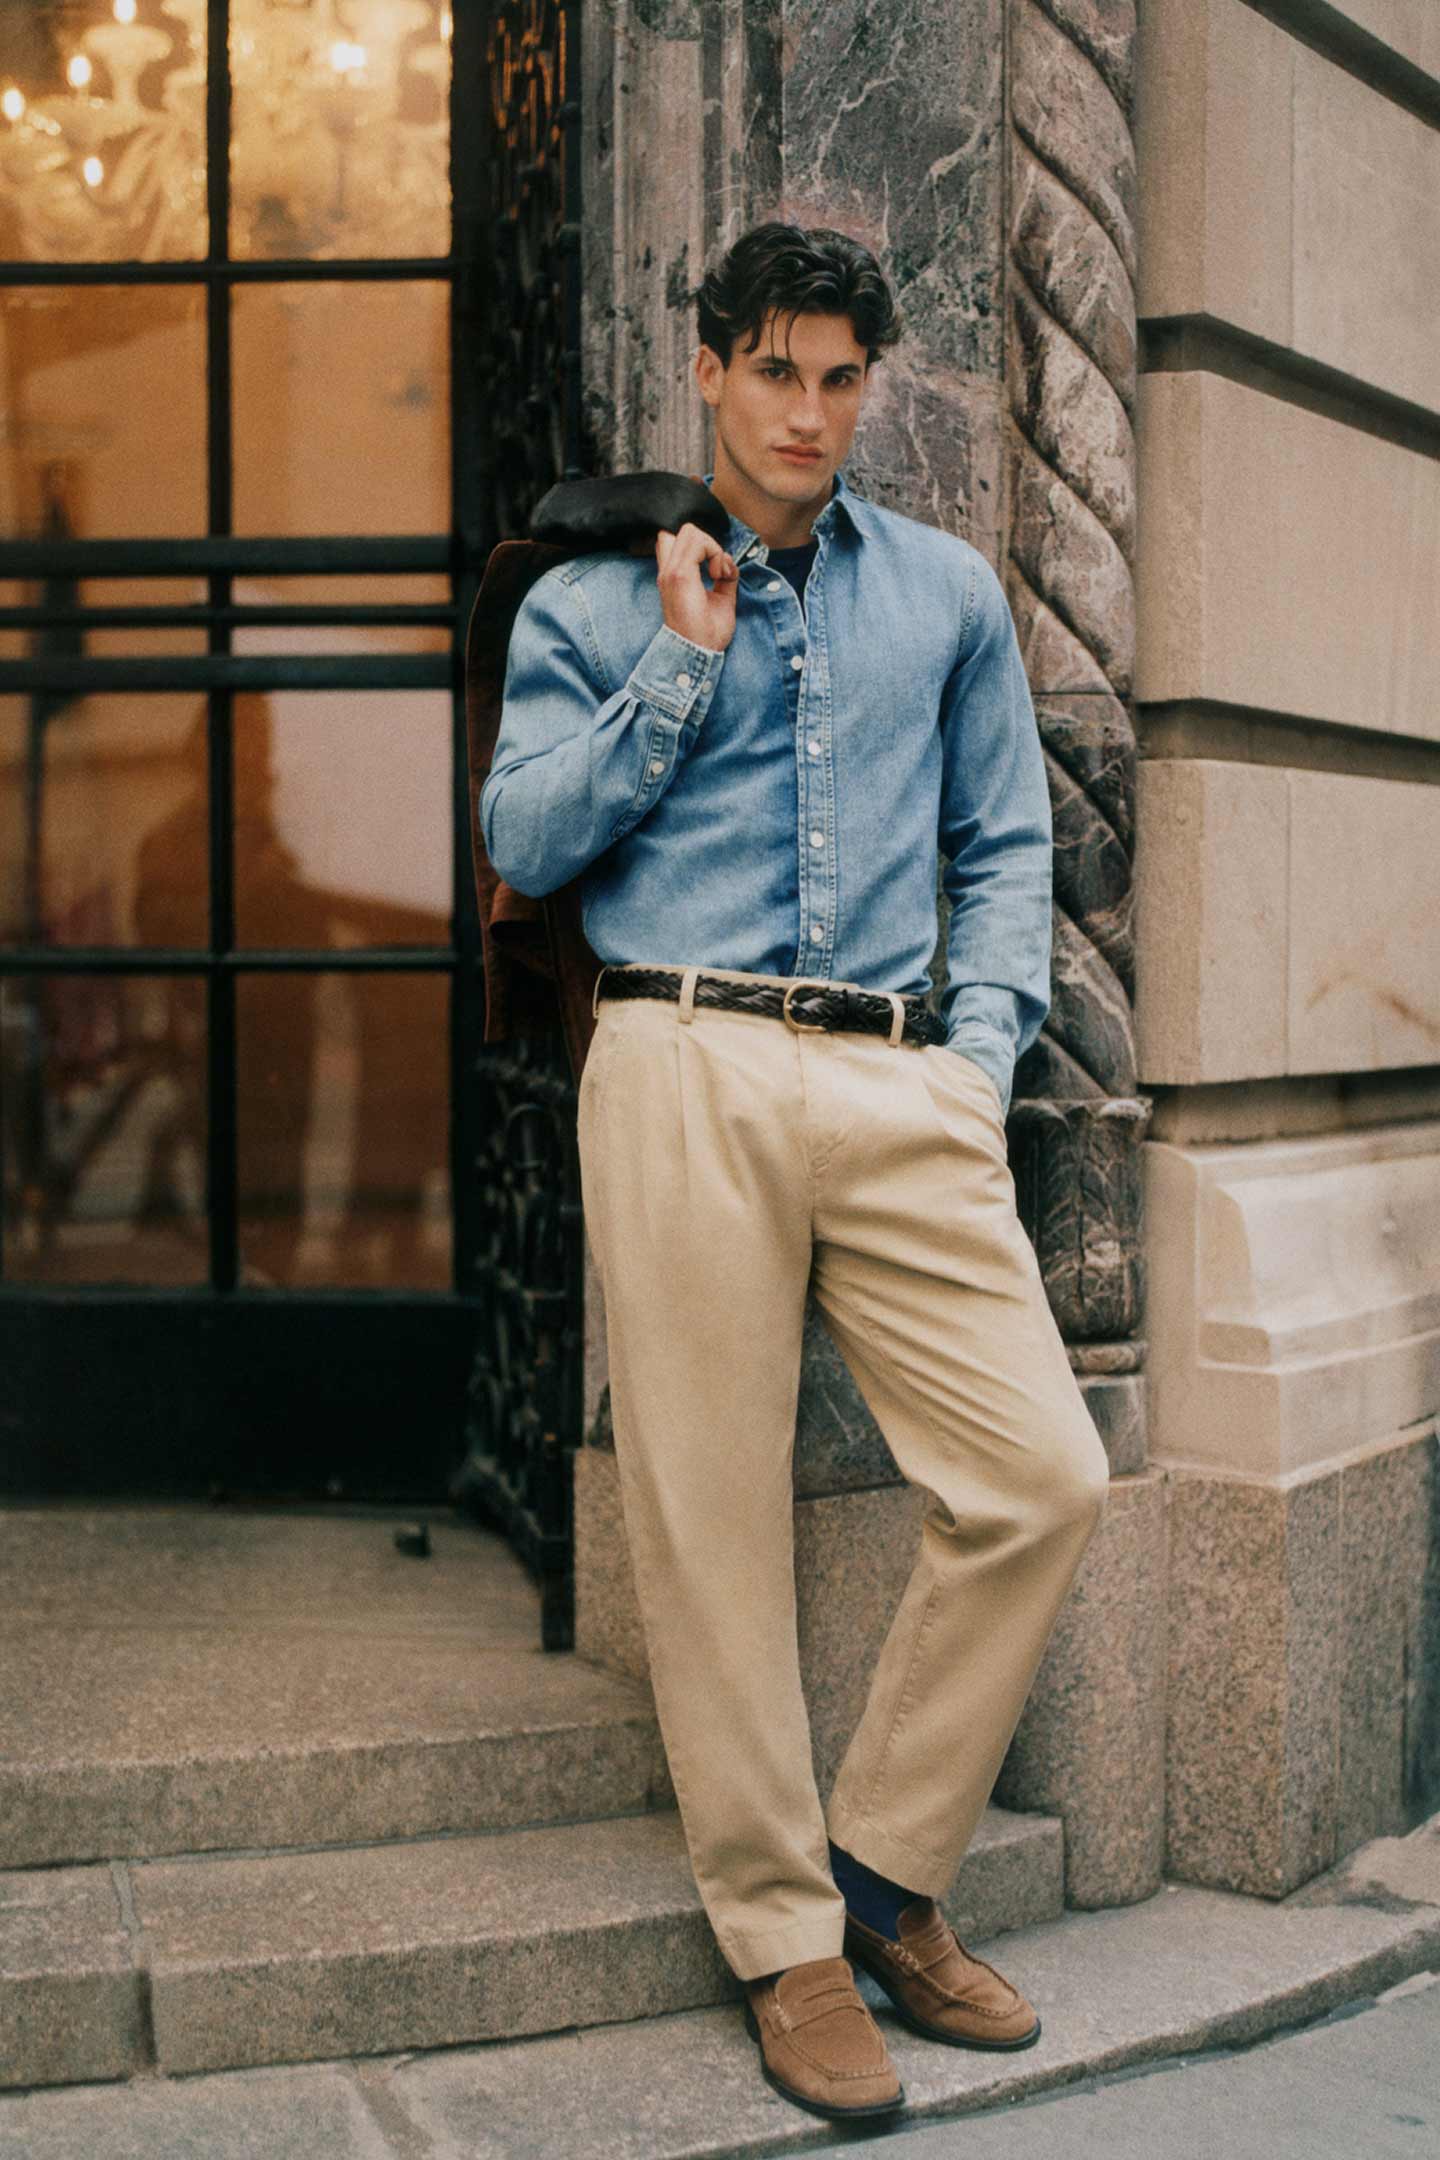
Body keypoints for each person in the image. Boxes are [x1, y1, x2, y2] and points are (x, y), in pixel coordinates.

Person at [481, 220, 1110, 2123]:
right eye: (775, 372)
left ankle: (887, 1874)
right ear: (708, 371)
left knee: (1038, 1477)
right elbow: (519, 829)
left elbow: (1006, 845)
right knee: (712, 1523)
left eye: (843, 378)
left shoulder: (946, 594)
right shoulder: (593, 600)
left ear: (874, 383)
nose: (810, 414)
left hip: (900, 1080)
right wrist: (680, 670)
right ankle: (783, 1947)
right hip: (682, 1058)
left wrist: (983, 1051)